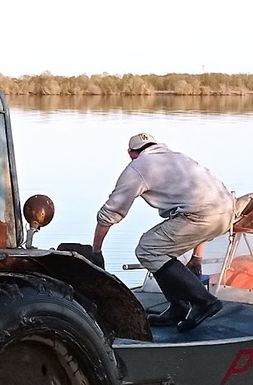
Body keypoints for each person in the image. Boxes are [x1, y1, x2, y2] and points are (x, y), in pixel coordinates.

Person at [91, 132, 237, 330]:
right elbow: (202, 199)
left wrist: (96, 251)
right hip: (228, 211)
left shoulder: (138, 168)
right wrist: (197, 257)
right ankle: (178, 307)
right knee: (160, 252)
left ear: (131, 153)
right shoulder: (179, 159)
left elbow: (111, 211)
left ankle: (204, 301)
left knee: (148, 250)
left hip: (201, 215)